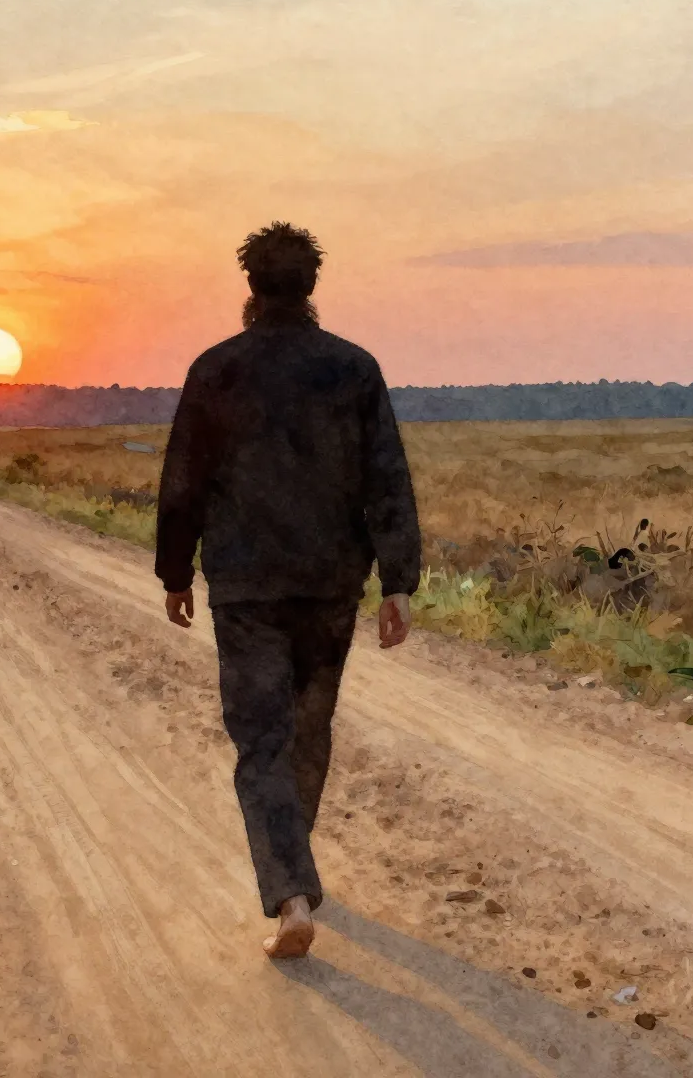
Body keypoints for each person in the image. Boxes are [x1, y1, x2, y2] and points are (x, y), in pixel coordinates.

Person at [155, 222, 422, 959]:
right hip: (330, 584)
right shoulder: (353, 369)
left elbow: (182, 484)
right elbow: (386, 477)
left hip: (246, 586)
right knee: (308, 726)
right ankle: (293, 866)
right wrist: (398, 581)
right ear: (311, 287)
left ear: (251, 286)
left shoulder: (217, 370)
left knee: (261, 740)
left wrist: (176, 574)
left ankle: (290, 893)